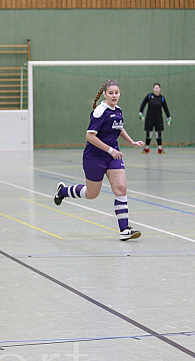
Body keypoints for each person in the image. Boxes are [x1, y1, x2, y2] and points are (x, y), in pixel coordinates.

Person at [53, 79, 145, 241]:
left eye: (116, 92)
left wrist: (131, 142)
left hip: (113, 157)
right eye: (111, 93)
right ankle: (63, 191)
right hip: (94, 157)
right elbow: (90, 136)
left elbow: (118, 127)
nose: (114, 95)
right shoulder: (100, 112)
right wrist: (110, 150)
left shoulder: (118, 110)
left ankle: (124, 229)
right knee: (91, 194)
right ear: (104, 94)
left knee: (121, 189)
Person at [138, 83, 171, 154]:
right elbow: (143, 103)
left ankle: (160, 149)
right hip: (149, 117)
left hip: (158, 118)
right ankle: (146, 148)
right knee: (149, 133)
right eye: (155, 88)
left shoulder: (162, 98)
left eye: (157, 88)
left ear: (160, 89)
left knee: (158, 133)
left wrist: (169, 117)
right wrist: (141, 113)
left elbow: (165, 108)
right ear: (153, 89)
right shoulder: (149, 96)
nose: (156, 89)